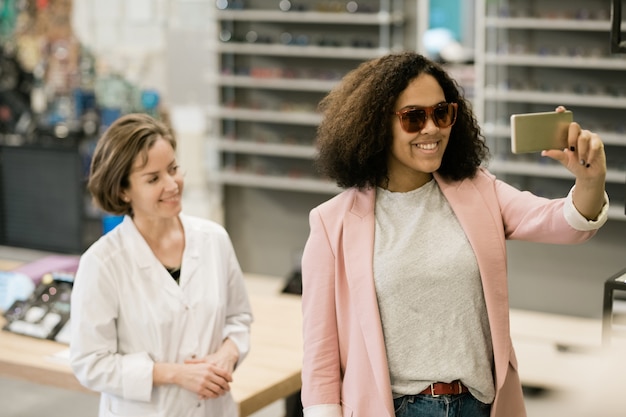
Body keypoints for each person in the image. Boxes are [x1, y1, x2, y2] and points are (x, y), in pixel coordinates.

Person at [300, 51, 609, 417]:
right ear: (376, 125)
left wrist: (590, 180)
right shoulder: (331, 223)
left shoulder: (478, 190)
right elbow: (320, 357)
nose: (431, 128)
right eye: (413, 118)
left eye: (441, 113)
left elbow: (564, 223)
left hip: (479, 405)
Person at [70, 113, 252, 417]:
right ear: (122, 190)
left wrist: (227, 353)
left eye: (173, 169)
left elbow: (239, 317)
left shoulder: (214, 240)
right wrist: (175, 374)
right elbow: (91, 363)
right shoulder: (102, 263)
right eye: (153, 178)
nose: (172, 185)